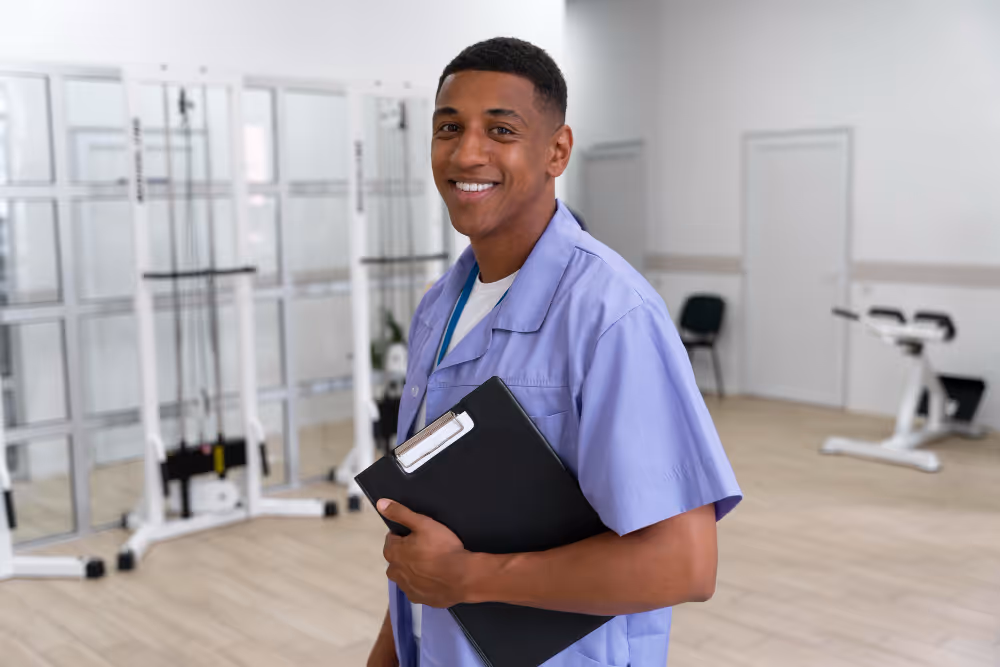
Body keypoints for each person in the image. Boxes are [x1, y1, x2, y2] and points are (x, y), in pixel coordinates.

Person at [367, 37, 741, 667]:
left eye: (501, 129)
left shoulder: (610, 315)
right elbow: (433, 540)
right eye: (448, 127)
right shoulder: (439, 307)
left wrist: (472, 578)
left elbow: (685, 564)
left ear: (557, 150)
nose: (467, 152)